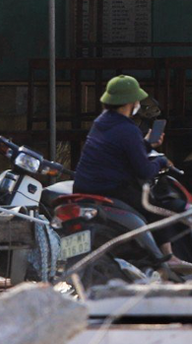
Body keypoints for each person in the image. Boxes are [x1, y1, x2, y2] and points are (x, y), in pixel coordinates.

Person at [74, 75, 175, 268]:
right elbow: (144, 171)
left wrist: (145, 144)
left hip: (84, 187)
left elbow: (118, 150)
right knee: (159, 210)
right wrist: (161, 161)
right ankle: (169, 257)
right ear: (130, 103)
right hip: (110, 189)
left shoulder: (101, 122)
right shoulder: (127, 129)